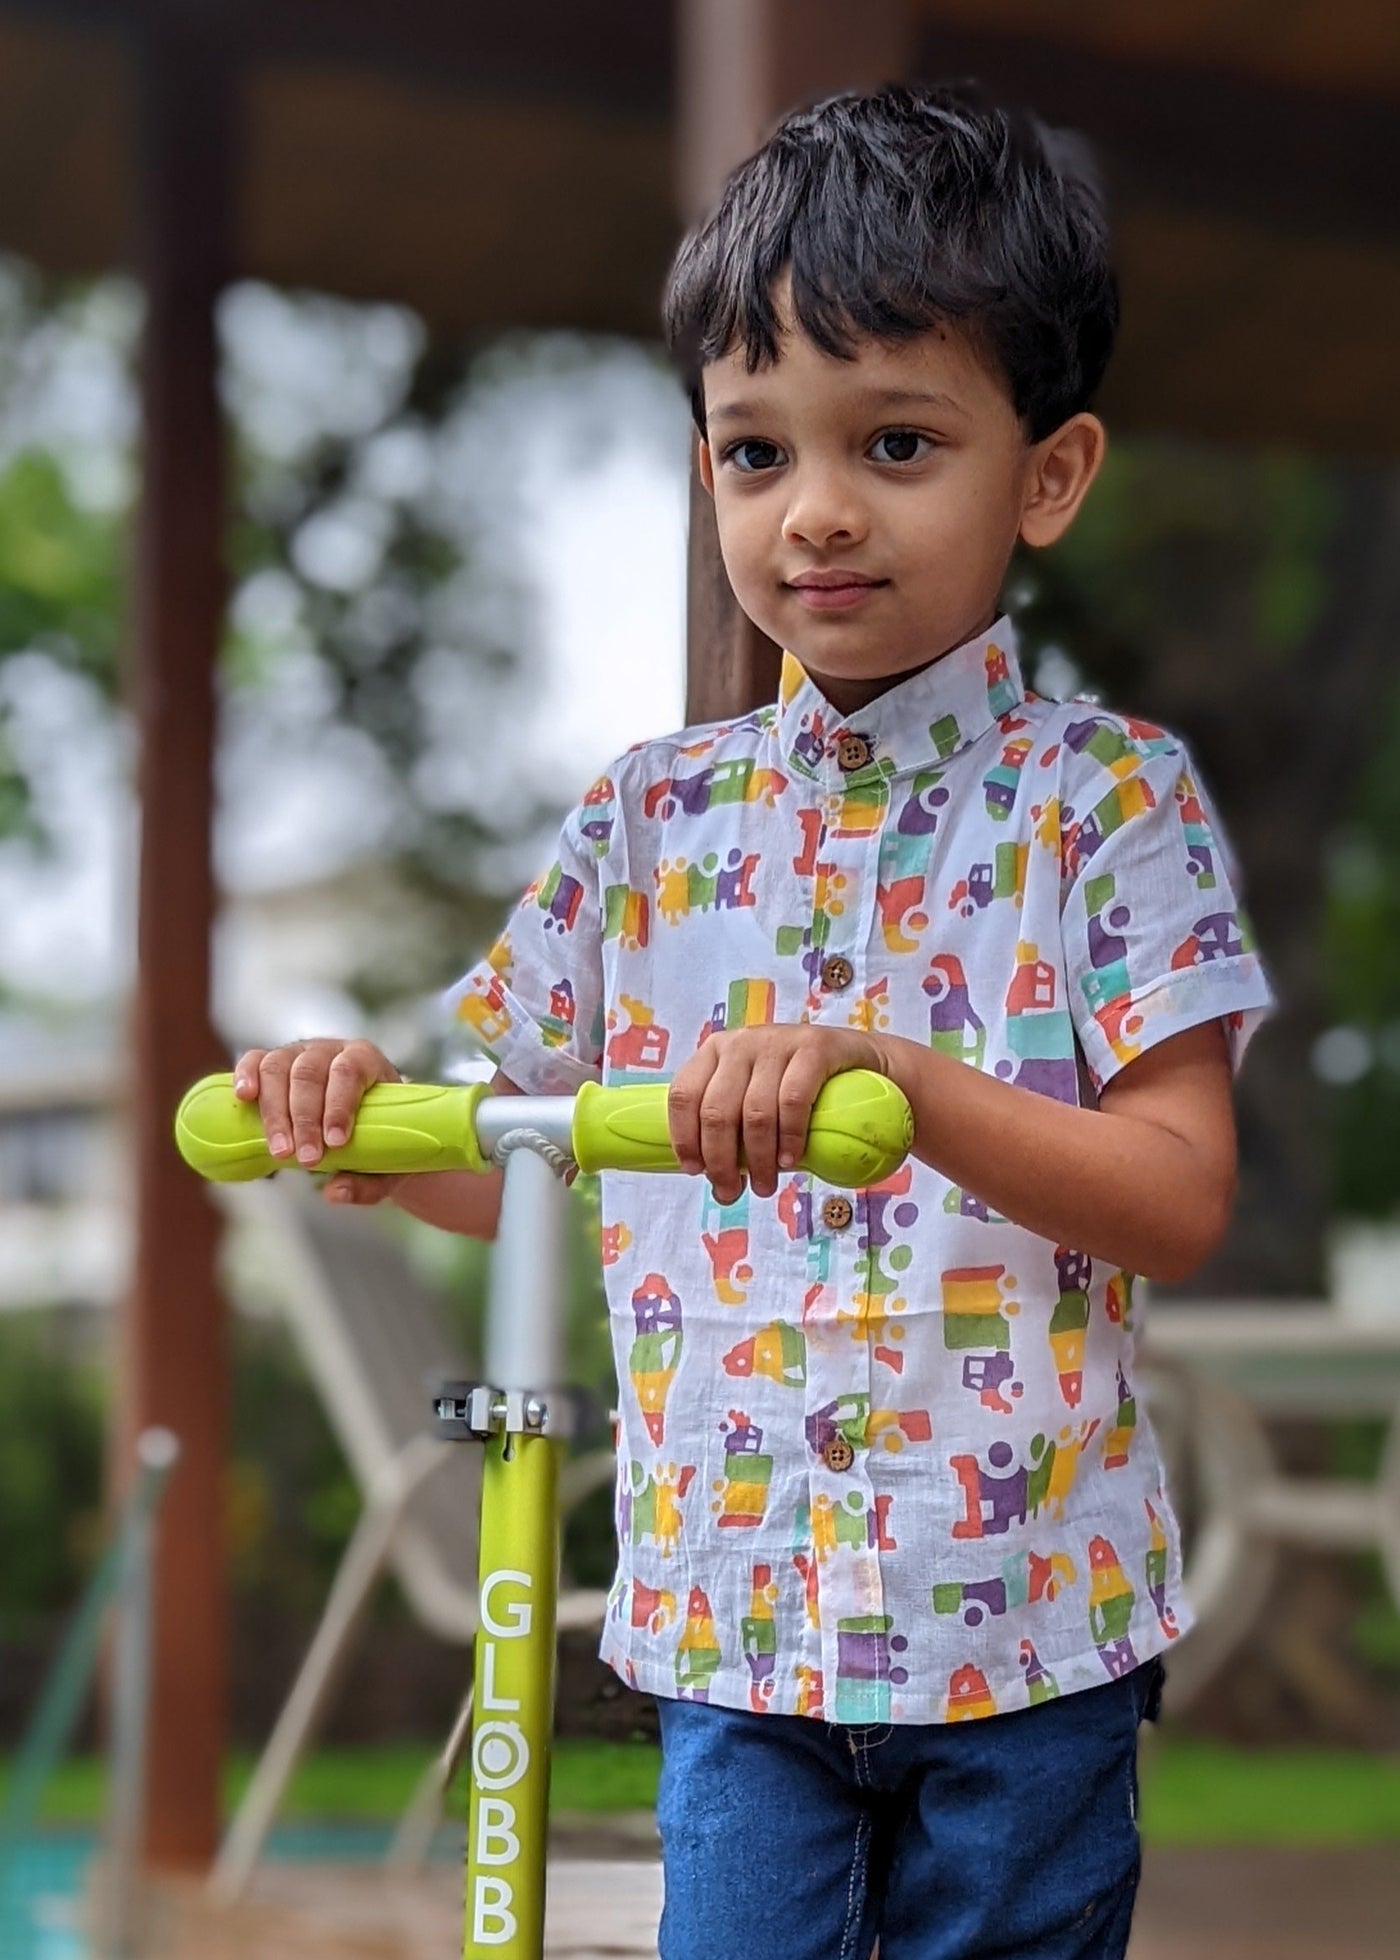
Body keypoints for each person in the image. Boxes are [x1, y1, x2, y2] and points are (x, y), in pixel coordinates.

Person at [234, 84, 1274, 1960]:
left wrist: (906, 1085)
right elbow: (522, 1167)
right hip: (735, 1623)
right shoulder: (648, 823)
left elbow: (1179, 1195)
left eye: (897, 441)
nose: (817, 510)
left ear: (1048, 474)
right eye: (753, 452)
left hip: (1023, 1625)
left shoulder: (1106, 803)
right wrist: (370, 1114)